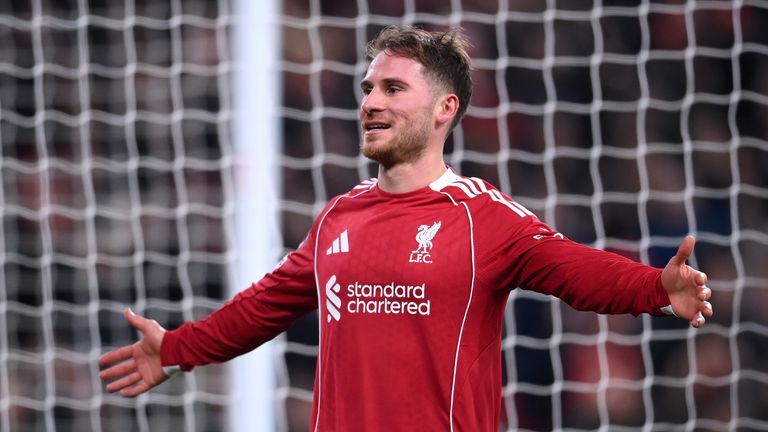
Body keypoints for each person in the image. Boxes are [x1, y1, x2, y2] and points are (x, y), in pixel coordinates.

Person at [99, 25, 713, 431]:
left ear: (446, 108)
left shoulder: (482, 215)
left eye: (394, 88)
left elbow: (576, 270)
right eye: (368, 88)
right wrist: (176, 349)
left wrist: (658, 289)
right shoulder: (339, 216)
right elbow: (264, 306)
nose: (371, 101)